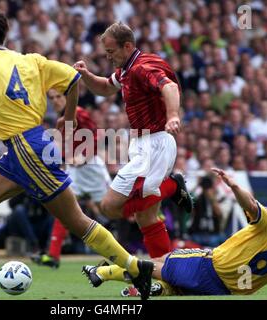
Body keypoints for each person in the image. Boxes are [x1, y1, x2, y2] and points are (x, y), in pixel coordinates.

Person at [0, 6, 153, 301]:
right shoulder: (30, 60)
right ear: (7, 33)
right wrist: (70, 117)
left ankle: (134, 267)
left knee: (76, 221)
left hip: (27, 148)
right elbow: (74, 80)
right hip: (25, 148)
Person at [74, 22, 193, 293]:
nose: (108, 56)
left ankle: (173, 185)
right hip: (141, 144)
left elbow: (169, 88)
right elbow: (105, 87)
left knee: (109, 206)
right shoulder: (127, 69)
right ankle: (166, 279)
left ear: (128, 46)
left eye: (111, 51)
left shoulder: (143, 67)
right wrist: (86, 75)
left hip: (155, 143)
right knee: (145, 219)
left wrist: (173, 115)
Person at [83, 168, 267, 296]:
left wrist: (234, 186)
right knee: (175, 285)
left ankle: (103, 272)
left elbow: (252, 206)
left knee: (158, 262)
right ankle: (158, 290)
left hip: (210, 266)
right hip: (227, 290)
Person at [31, 88, 112, 268]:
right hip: (75, 171)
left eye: (58, 97)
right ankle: (53, 255)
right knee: (65, 208)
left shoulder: (78, 113)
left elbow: (98, 135)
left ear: (69, 97)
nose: (55, 101)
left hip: (91, 168)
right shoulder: (61, 119)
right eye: (52, 98)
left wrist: (84, 156)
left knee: (111, 209)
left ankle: (145, 209)